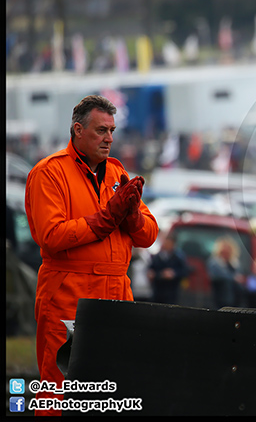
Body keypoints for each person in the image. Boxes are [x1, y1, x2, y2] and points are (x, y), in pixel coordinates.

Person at [25, 94, 159, 416]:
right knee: (60, 392)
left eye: (112, 131)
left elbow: (149, 235)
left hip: (116, 293)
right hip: (69, 295)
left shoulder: (117, 173)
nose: (109, 139)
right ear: (77, 130)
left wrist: (132, 218)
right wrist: (104, 221)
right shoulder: (50, 173)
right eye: (101, 131)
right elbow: (50, 236)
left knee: (113, 391)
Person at [207, 236, 250, 309]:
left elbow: (240, 275)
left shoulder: (234, 263)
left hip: (236, 296)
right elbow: (216, 276)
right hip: (221, 294)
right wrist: (234, 278)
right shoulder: (215, 263)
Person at [148, 234, 189, 305]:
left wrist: (174, 273)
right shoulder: (157, 256)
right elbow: (151, 269)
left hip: (172, 291)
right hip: (158, 290)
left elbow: (185, 271)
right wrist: (153, 274)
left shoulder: (178, 257)